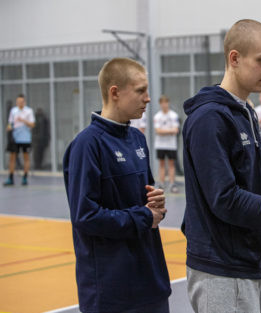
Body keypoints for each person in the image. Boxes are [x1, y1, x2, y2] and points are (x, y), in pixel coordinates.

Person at [182, 19, 261, 313]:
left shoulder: (246, 113)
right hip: (222, 272)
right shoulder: (209, 119)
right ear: (234, 58)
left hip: (253, 266)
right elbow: (225, 199)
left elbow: (258, 187)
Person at [63, 58, 171, 313]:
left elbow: (148, 204)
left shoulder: (137, 138)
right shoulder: (87, 146)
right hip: (112, 292)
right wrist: (144, 216)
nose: (148, 98)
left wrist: (157, 204)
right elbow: (85, 216)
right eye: (140, 90)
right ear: (114, 92)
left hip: (151, 282)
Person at [4, 94, 35, 186]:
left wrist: (23, 120)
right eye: (18, 102)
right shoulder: (13, 111)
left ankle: (25, 177)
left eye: (21, 102)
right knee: (12, 157)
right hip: (15, 138)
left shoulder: (29, 111)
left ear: (24, 102)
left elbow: (32, 124)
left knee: (26, 157)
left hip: (25, 138)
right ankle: (10, 177)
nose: (19, 103)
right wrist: (9, 127)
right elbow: (10, 123)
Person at [154, 95, 180, 193]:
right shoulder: (157, 116)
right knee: (161, 164)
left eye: (166, 102)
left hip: (171, 145)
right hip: (160, 144)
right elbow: (158, 131)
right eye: (162, 103)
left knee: (171, 164)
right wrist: (170, 130)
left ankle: (172, 184)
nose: (164, 105)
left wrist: (164, 131)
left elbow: (176, 130)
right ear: (160, 104)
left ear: (168, 103)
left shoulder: (174, 115)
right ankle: (161, 183)